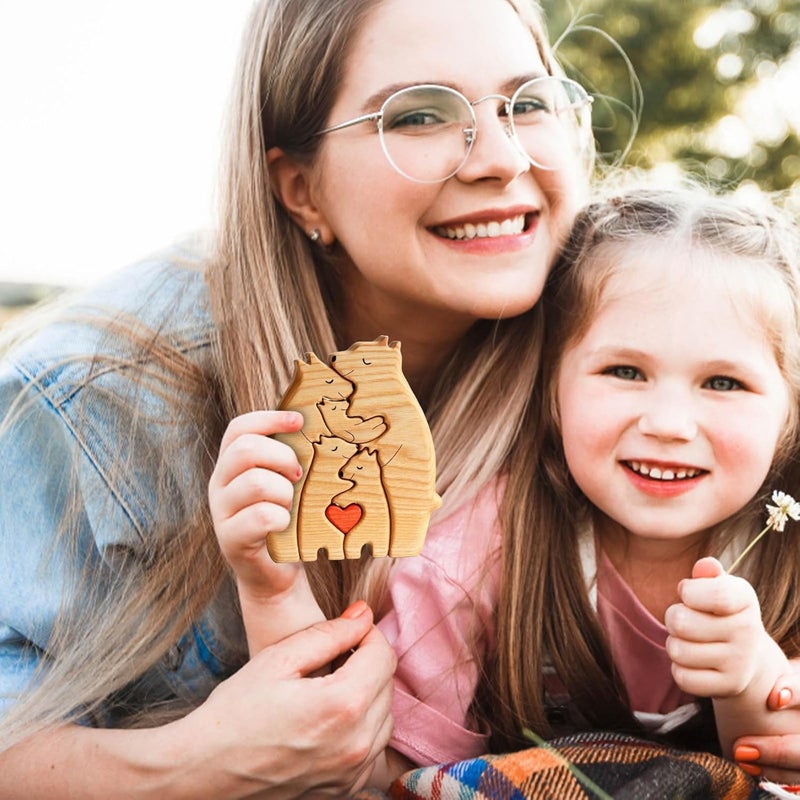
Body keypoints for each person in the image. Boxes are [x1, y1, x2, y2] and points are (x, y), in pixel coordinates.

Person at [0, 0, 597, 795]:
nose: (500, 155)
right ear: (300, 189)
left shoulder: (632, 346)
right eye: (418, 115)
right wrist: (190, 769)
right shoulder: (96, 399)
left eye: (527, 103)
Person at [481, 182, 800, 780]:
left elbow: (782, 775)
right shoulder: (493, 539)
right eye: (625, 371)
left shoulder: (788, 556)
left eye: (724, 383)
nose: (669, 425)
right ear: (551, 388)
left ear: (791, 412)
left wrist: (753, 677)